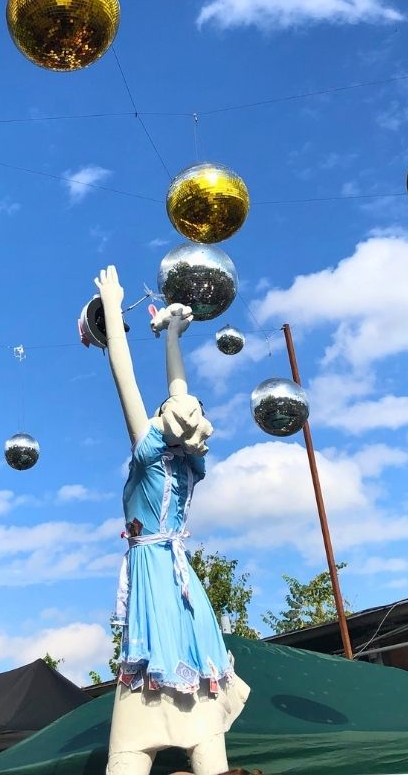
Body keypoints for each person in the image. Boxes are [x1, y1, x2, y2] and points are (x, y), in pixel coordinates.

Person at [94, 266, 250, 775]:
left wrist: (115, 313)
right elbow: (177, 391)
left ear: (167, 422)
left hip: (162, 586)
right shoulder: (185, 467)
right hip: (180, 591)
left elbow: (126, 379)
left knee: (132, 747)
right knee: (202, 735)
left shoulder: (151, 456)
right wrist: (172, 337)